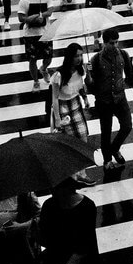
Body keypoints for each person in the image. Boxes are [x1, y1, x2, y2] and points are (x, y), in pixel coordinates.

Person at [39, 178, 102, 264]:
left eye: (55, 188)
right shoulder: (49, 206)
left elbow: (82, 250)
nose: (51, 191)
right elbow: (46, 241)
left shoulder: (86, 207)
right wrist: (36, 234)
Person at [89, 28, 133, 169]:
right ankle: (107, 160)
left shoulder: (123, 54)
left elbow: (131, 75)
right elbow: (90, 85)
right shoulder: (94, 59)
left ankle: (115, 147)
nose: (115, 45)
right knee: (106, 131)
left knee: (127, 125)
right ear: (104, 43)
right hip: (103, 100)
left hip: (120, 97)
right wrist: (88, 74)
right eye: (112, 43)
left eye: (117, 42)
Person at [50, 43, 95, 185]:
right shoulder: (59, 75)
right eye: (76, 56)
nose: (79, 58)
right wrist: (57, 119)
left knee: (82, 137)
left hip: (76, 105)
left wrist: (85, 98)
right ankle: (73, 174)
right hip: (63, 108)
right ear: (69, 57)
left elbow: (81, 87)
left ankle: (82, 173)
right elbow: (55, 98)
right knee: (69, 142)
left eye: (81, 55)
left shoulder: (80, 70)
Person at [18, 0, 53, 91]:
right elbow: (21, 17)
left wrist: (42, 15)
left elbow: (50, 11)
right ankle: (36, 81)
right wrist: (30, 18)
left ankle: (43, 68)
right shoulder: (24, 0)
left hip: (45, 32)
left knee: (49, 56)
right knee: (33, 59)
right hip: (30, 34)